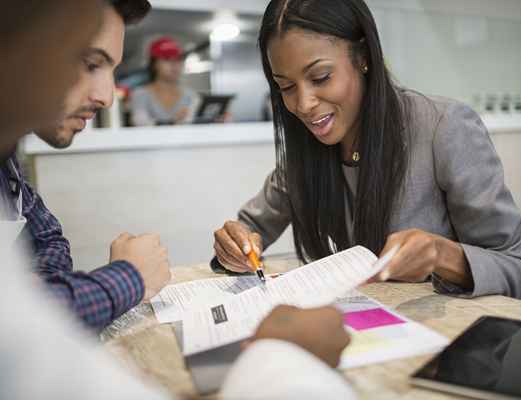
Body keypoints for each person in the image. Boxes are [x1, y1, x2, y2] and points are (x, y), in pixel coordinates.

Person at [1, 1, 356, 399]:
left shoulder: (8, 168)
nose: (106, 96)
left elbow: (47, 250)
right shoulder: (301, 164)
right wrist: (278, 355)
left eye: (321, 77)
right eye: (87, 62)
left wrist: (41, 288)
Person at [213, 0, 521, 301]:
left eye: (321, 77)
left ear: (363, 57)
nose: (303, 104)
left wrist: (442, 255)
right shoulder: (306, 150)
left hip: (455, 346)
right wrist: (236, 244)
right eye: (285, 87)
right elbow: (251, 229)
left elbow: (518, 270)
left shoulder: (444, 126)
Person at [0, 0, 172, 331]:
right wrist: (129, 277)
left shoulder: (8, 155)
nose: (106, 96)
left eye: (112, 70)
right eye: (91, 64)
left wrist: (39, 298)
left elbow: (49, 240)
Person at [130, 36, 200, 126]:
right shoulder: (140, 94)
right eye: (167, 59)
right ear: (154, 64)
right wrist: (174, 121)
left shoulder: (191, 95)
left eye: (178, 59)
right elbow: (140, 123)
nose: (174, 65)